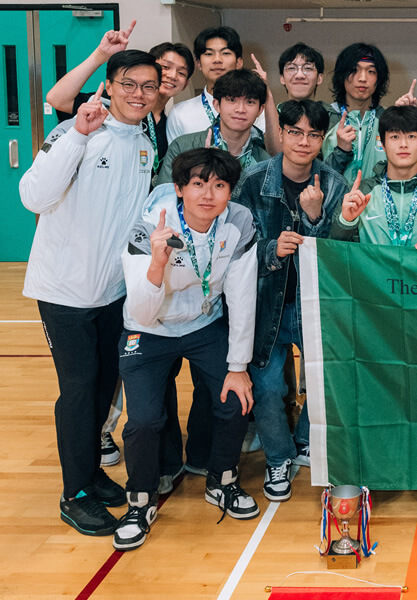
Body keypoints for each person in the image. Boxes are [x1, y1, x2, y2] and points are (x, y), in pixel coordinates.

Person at [20, 49, 160, 536]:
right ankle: (73, 493)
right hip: (65, 291)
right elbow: (33, 196)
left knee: (104, 388)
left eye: (148, 86)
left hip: (113, 292)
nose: (138, 94)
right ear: (110, 84)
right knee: (79, 391)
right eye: (128, 84)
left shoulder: (145, 143)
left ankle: (91, 473)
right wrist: (77, 134)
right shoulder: (78, 130)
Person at [114, 148, 259, 550]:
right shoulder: (149, 227)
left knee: (235, 400)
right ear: (179, 189)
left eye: (219, 185)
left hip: (204, 324)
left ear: (230, 190)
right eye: (197, 184)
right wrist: (157, 264)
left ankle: (222, 478)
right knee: (143, 421)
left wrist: (238, 365)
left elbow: (243, 295)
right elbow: (141, 312)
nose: (208, 194)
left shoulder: (239, 222)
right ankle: (140, 500)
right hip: (147, 329)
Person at [233, 100, 353, 496]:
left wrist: (315, 220)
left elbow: (340, 254)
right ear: (280, 134)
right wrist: (271, 249)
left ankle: (303, 441)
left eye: (313, 135)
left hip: (315, 304)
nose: (304, 141)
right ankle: (278, 458)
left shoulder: (333, 184)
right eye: (296, 132)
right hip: (266, 302)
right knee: (267, 387)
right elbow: (233, 245)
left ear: (323, 140)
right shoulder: (252, 180)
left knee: (324, 380)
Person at [45, 22, 193, 181]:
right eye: (165, 67)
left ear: (185, 84)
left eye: (181, 72)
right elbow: (56, 98)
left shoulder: (169, 123)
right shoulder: (111, 104)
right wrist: (100, 55)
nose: (172, 75)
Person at [333, 105, 417, 250]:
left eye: (411, 137)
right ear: (383, 144)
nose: (403, 144)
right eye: (395, 137)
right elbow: (337, 255)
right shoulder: (360, 194)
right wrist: (346, 223)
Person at [156, 69, 270, 185]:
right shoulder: (183, 147)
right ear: (217, 105)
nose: (240, 109)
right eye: (232, 100)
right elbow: (163, 198)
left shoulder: (266, 161)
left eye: (250, 102)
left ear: (260, 110)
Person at [167, 26, 267, 143]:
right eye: (209, 54)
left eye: (225, 53)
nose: (217, 60)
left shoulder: (256, 110)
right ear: (198, 63)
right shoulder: (180, 114)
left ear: (239, 62)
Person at [322, 43, 391, 187]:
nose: (362, 78)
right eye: (354, 70)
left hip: (377, 206)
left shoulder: (388, 120)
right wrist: (340, 151)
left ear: (379, 78)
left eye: (371, 71)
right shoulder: (324, 118)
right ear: (342, 75)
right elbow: (313, 175)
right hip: (333, 207)